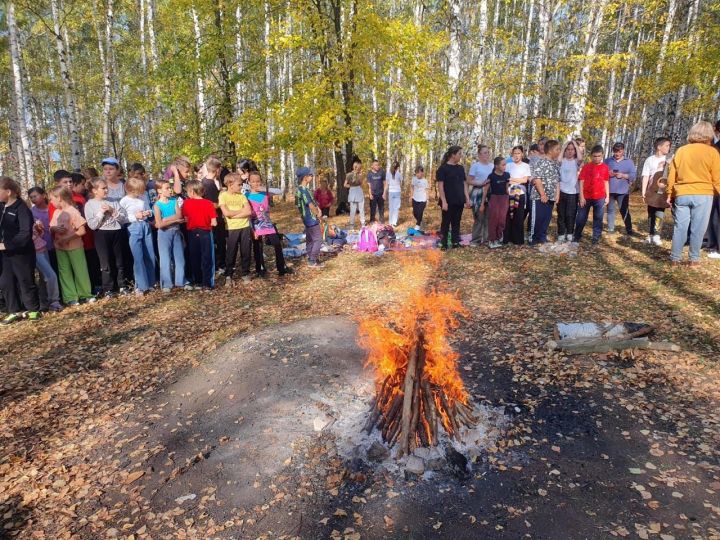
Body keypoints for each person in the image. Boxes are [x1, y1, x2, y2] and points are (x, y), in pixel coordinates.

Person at [666, 121, 720, 265]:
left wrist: (669, 193)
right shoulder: (713, 152)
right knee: (698, 228)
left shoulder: (682, 150)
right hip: (703, 194)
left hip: (682, 193)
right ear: (709, 134)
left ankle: (675, 258)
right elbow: (717, 178)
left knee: (680, 227)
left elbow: (672, 174)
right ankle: (693, 259)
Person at [0, 177, 41, 324]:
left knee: (25, 280)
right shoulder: (1, 206)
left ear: (8, 192)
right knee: (6, 282)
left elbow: (25, 234)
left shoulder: (22, 208)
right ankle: (13, 310)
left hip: (22, 253)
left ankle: (33, 310)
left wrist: (7, 245)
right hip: (5, 255)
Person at [49, 186, 94, 306]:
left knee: (80, 270)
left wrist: (67, 238)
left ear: (59, 198)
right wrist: (54, 228)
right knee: (64, 271)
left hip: (75, 247)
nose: (51, 202)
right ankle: (70, 297)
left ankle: (85, 294)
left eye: (52, 199)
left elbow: (81, 230)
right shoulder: (57, 212)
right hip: (60, 248)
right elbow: (51, 227)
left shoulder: (73, 211)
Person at [85, 178, 129, 297]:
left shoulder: (113, 201)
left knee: (119, 261)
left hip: (116, 231)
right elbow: (92, 225)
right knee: (105, 263)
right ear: (95, 190)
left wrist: (112, 210)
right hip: (101, 234)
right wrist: (101, 213)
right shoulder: (89, 204)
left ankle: (122, 285)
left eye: (106, 188)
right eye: (103, 188)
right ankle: (108, 288)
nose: (106, 190)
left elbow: (123, 218)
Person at [247, 171, 292, 277]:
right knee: (258, 246)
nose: (256, 183)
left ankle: (281, 268)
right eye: (253, 181)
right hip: (255, 224)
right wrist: (252, 230)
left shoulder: (264, 193)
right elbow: (248, 215)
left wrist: (264, 189)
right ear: (249, 182)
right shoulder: (247, 195)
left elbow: (280, 191)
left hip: (267, 224)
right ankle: (260, 269)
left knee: (276, 243)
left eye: (258, 181)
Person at [28, 188, 62, 312]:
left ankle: (46, 302)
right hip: (37, 250)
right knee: (50, 275)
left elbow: (39, 234)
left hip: (49, 246)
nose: (33, 199)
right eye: (31, 197)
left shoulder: (52, 207)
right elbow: (29, 235)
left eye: (35, 196)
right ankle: (54, 301)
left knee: (46, 277)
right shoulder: (31, 213)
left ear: (44, 195)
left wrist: (40, 230)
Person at [120, 177, 156, 295]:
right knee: (138, 257)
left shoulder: (142, 198)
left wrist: (148, 213)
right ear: (130, 190)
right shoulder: (124, 201)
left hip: (145, 226)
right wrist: (135, 216)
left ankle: (151, 283)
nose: (140, 193)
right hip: (133, 227)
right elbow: (122, 219)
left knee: (149, 255)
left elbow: (149, 210)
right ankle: (140, 286)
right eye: (137, 191)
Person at [153, 179, 188, 292]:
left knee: (179, 258)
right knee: (165, 258)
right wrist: (176, 220)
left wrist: (166, 219)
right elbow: (159, 224)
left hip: (176, 232)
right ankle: (167, 284)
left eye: (170, 187)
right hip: (164, 234)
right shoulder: (157, 205)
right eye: (167, 188)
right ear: (159, 191)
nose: (170, 190)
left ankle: (181, 281)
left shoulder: (174, 201)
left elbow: (179, 215)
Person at [181, 181, 216, 289]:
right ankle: (207, 283)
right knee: (207, 257)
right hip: (205, 232)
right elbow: (214, 222)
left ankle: (197, 281)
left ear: (191, 191)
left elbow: (186, 219)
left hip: (192, 232)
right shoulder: (209, 203)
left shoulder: (186, 203)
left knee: (194, 257)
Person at [220, 173, 253, 285]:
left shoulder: (242, 196)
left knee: (246, 251)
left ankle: (245, 273)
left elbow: (248, 212)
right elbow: (226, 213)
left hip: (245, 227)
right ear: (230, 184)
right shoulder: (223, 196)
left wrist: (233, 214)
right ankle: (229, 275)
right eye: (239, 184)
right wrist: (240, 212)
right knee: (231, 252)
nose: (241, 187)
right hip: (231, 228)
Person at [574, 145, 610, 245]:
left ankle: (596, 237)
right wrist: (581, 197)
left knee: (598, 218)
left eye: (599, 156)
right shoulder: (586, 167)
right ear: (591, 156)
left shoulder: (605, 168)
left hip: (600, 197)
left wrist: (607, 196)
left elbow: (606, 181)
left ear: (602, 155)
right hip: (586, 197)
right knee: (581, 217)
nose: (596, 158)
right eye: (594, 156)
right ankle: (577, 236)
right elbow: (581, 181)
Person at [436, 145, 470, 250]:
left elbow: (464, 184)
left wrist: (467, 199)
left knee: (456, 222)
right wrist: (444, 201)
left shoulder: (460, 168)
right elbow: (440, 186)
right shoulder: (443, 169)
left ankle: (455, 242)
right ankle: (444, 243)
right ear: (453, 155)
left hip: (459, 200)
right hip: (448, 201)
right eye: (459, 154)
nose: (461, 156)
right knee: (446, 223)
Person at [641, 137, 672, 246]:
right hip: (652, 190)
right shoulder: (650, 160)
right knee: (651, 212)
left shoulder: (670, 159)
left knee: (660, 213)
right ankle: (649, 234)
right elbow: (645, 175)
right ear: (659, 147)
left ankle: (657, 235)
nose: (669, 148)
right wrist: (643, 192)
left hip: (663, 191)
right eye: (667, 145)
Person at [529, 139, 562, 245]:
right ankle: (533, 238)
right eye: (557, 149)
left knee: (546, 218)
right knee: (537, 218)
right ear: (551, 150)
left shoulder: (556, 164)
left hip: (551, 197)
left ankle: (542, 237)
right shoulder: (541, 162)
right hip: (539, 197)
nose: (559, 151)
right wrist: (542, 194)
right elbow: (537, 179)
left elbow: (557, 180)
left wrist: (557, 194)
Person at [604, 142, 637, 235]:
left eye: (619, 151)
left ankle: (629, 230)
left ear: (623, 151)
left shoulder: (629, 162)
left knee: (624, 210)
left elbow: (633, 176)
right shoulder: (607, 161)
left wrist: (623, 175)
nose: (617, 153)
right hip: (609, 190)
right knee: (610, 210)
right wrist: (608, 173)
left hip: (623, 191)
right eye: (615, 151)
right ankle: (611, 229)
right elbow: (601, 173)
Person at [201, 156, 227, 272]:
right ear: (217, 169)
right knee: (219, 241)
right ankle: (219, 265)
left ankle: (219, 264)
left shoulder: (206, 182)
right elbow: (213, 204)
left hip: (213, 218)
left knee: (218, 241)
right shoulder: (208, 184)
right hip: (214, 218)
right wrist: (223, 201)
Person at [296, 167, 324, 268]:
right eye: (310, 175)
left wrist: (318, 208)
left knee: (310, 239)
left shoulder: (300, 189)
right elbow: (310, 205)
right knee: (318, 239)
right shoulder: (303, 191)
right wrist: (317, 214)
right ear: (305, 177)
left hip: (306, 218)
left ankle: (310, 257)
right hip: (311, 219)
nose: (312, 177)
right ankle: (312, 260)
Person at [504, 146, 531, 245]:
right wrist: (513, 180)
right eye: (515, 153)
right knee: (508, 215)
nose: (516, 155)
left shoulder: (526, 166)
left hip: (520, 192)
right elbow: (506, 179)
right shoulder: (508, 165)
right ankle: (507, 238)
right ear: (512, 155)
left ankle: (517, 240)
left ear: (522, 154)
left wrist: (513, 179)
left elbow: (524, 180)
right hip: (509, 192)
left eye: (518, 153)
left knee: (519, 216)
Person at [467, 145, 493, 245]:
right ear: (479, 155)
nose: (487, 154)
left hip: (490, 193)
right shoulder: (475, 166)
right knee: (479, 217)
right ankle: (476, 240)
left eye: (488, 152)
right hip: (478, 193)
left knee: (488, 217)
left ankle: (486, 239)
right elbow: (469, 180)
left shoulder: (492, 166)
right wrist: (481, 183)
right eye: (485, 152)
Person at [557, 140, 581, 243]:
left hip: (573, 192)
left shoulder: (576, 162)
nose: (570, 151)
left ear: (575, 151)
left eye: (572, 150)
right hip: (562, 191)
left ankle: (570, 233)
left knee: (570, 214)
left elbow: (580, 158)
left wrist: (575, 144)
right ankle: (561, 233)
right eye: (568, 149)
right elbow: (558, 160)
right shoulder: (562, 160)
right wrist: (563, 147)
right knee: (561, 214)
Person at [485, 157, 510, 249]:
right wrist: (482, 202)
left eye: (505, 164)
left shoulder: (507, 175)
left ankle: (498, 238)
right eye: (503, 165)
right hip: (494, 198)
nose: (505, 166)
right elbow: (485, 189)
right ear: (496, 166)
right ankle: (492, 240)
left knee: (502, 219)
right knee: (494, 219)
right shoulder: (491, 176)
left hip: (504, 198)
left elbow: (507, 188)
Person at [705, 121, 720, 258]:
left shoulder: (714, 148)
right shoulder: (715, 147)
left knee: (715, 216)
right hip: (716, 186)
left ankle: (715, 246)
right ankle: (713, 244)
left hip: (716, 186)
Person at [344, 157, 365, 228]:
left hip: (358, 191)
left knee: (360, 209)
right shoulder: (349, 175)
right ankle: (352, 224)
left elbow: (361, 183)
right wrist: (352, 185)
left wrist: (360, 175)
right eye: (358, 167)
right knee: (353, 210)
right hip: (353, 191)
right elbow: (345, 185)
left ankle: (362, 224)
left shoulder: (360, 175)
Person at [367, 159, 385, 224]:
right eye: (376, 165)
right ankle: (372, 220)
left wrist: (384, 193)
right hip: (373, 194)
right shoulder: (369, 174)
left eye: (378, 165)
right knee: (373, 208)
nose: (377, 166)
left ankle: (381, 220)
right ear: (372, 166)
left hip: (381, 193)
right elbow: (369, 185)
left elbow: (385, 183)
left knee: (381, 208)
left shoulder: (382, 172)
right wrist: (370, 194)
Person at [410, 166, 428, 230]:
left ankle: (418, 225)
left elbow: (426, 190)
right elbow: (412, 187)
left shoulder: (425, 181)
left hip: (423, 200)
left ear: (422, 173)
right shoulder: (414, 179)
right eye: (416, 173)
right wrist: (411, 196)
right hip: (415, 198)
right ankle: (420, 220)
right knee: (415, 213)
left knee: (420, 212)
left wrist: (427, 199)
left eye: (419, 173)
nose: (417, 174)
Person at [385, 161, 402, 227]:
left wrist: (384, 193)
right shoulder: (399, 174)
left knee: (391, 207)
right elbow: (400, 183)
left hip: (391, 192)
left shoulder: (388, 174)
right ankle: (394, 223)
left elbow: (386, 184)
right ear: (397, 167)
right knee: (396, 208)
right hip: (397, 192)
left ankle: (390, 222)